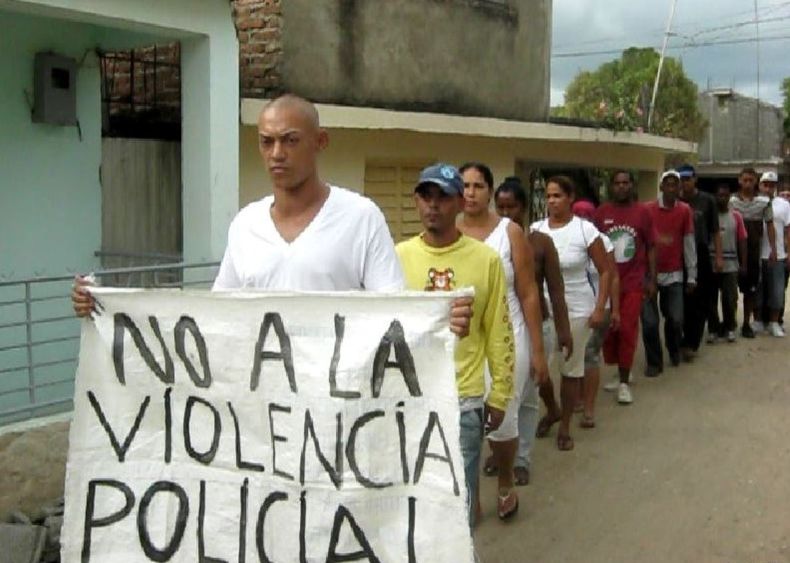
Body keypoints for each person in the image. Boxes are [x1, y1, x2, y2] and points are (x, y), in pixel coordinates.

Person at [73, 95, 472, 335]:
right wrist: (108, 310)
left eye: (290, 141)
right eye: (266, 142)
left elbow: (394, 314)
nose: (276, 153)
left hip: (339, 417)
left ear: (320, 142)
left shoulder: (361, 217)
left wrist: (440, 321)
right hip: (264, 425)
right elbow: (216, 317)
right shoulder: (246, 225)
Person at [396, 163, 514, 526]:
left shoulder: (485, 260)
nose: (433, 206)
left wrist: (500, 395)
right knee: (410, 503)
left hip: (463, 400)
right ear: (416, 201)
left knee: (458, 507)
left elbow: (498, 329)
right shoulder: (397, 257)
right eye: (426, 197)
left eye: (443, 198)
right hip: (407, 398)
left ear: (460, 203)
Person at [457, 163, 547, 519]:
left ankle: (506, 476)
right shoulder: (450, 232)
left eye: (478, 185)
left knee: (502, 420)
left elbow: (528, 294)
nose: (470, 192)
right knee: (466, 419)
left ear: (489, 192)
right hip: (465, 341)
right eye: (464, 185)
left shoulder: (509, 233)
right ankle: (469, 495)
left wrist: (539, 351)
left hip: (509, 338)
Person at [494, 177, 572, 485]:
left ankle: (521, 458)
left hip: (537, 325)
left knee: (526, 397)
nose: (506, 212)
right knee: (499, 395)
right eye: (500, 207)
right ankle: (500, 451)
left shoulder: (540, 243)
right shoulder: (485, 243)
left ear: (524, 208)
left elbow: (555, 289)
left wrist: (564, 331)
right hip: (499, 328)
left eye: (511, 206)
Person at [530, 176, 610, 451]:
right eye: (548, 196)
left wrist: (600, 307)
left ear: (570, 198)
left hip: (577, 309)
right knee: (537, 368)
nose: (552, 201)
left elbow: (605, 270)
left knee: (571, 368)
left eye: (557, 195)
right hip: (543, 310)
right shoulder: (536, 230)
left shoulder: (585, 230)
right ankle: (551, 409)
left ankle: (564, 426)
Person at [593, 170, 656, 405]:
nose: (621, 187)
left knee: (628, 328)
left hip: (633, 281)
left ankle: (623, 382)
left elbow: (650, 246)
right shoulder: (602, 213)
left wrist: (652, 278)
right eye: (617, 183)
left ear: (632, 185)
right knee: (609, 332)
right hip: (608, 282)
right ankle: (621, 369)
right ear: (611, 187)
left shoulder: (643, 213)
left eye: (625, 183)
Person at [641, 170, 697, 375]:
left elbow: (689, 242)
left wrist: (692, 275)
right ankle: (654, 362)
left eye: (676, 184)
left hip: (674, 273)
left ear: (680, 188)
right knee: (649, 322)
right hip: (648, 274)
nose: (672, 188)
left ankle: (674, 348)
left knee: (675, 318)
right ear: (661, 187)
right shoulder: (647, 210)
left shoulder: (684, 210)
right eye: (668, 184)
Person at [572, 200, 620, 429]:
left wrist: (615, 309)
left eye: (587, 215)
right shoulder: (566, 237)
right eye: (578, 214)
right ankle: (578, 397)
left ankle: (589, 408)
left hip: (600, 307)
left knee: (590, 354)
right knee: (575, 355)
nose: (582, 218)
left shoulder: (604, 240)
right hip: (573, 307)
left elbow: (613, 276)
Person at [678, 164, 723, 353]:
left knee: (697, 298)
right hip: (678, 254)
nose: (684, 183)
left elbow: (715, 231)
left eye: (688, 179)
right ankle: (680, 337)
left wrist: (719, 257)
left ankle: (691, 342)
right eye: (682, 179)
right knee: (679, 299)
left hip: (701, 252)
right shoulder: (675, 201)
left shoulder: (707, 200)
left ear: (695, 179)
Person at [730, 167, 776, 338]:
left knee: (750, 290)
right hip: (732, 252)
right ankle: (730, 322)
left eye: (751, 180)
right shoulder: (731, 201)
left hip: (753, 252)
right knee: (730, 290)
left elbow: (770, 225)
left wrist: (773, 249)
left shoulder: (764, 202)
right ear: (739, 180)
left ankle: (746, 324)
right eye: (745, 180)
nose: (748, 183)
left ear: (756, 181)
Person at [709, 183, 747, 342]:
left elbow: (742, 240)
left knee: (730, 299)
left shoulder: (736, 216)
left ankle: (730, 327)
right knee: (710, 299)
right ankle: (713, 329)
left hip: (731, 264)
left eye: (725, 195)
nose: (722, 198)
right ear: (715, 197)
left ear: (729, 197)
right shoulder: (710, 216)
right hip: (711, 263)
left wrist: (743, 264)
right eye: (719, 195)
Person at [756, 171, 790, 337]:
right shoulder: (754, 203)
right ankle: (758, 321)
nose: (768, 187)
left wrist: (788, 252)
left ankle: (774, 322)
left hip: (778, 255)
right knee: (758, 291)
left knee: (777, 291)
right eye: (765, 184)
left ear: (775, 187)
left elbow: (788, 230)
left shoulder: (784, 205)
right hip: (757, 254)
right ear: (760, 185)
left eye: (772, 185)